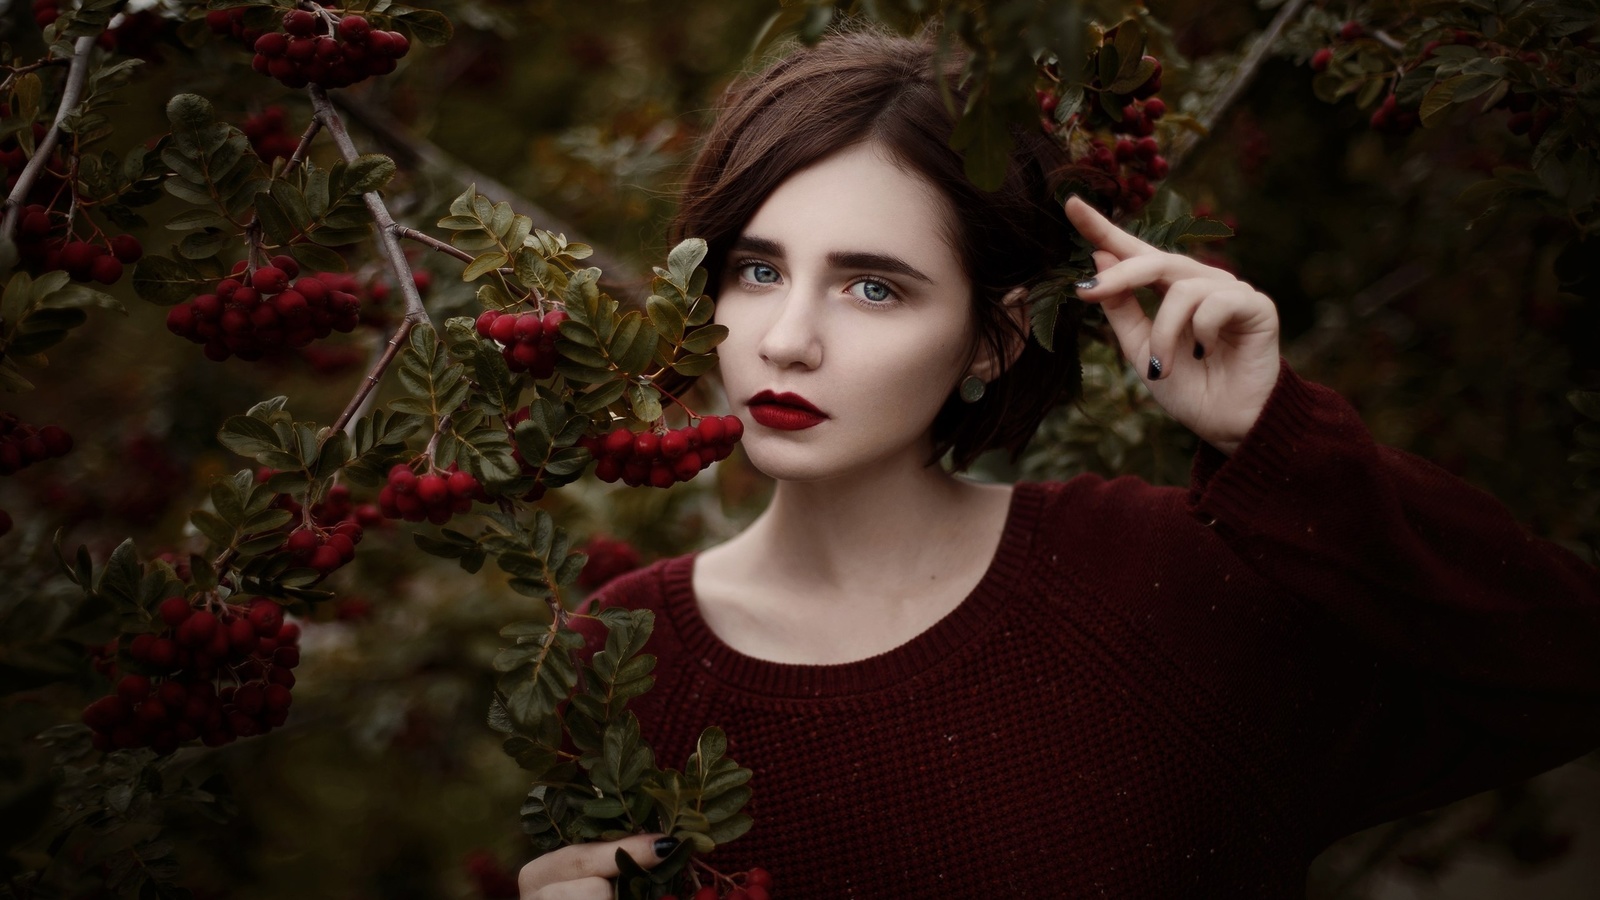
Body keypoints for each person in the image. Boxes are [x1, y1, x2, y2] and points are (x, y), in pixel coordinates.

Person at [517, 27, 1600, 899]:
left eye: (873, 286)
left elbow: (1567, 669)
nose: (787, 338)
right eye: (756, 270)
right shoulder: (619, 658)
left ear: (994, 336)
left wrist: (1277, 439)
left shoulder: (1158, 587)